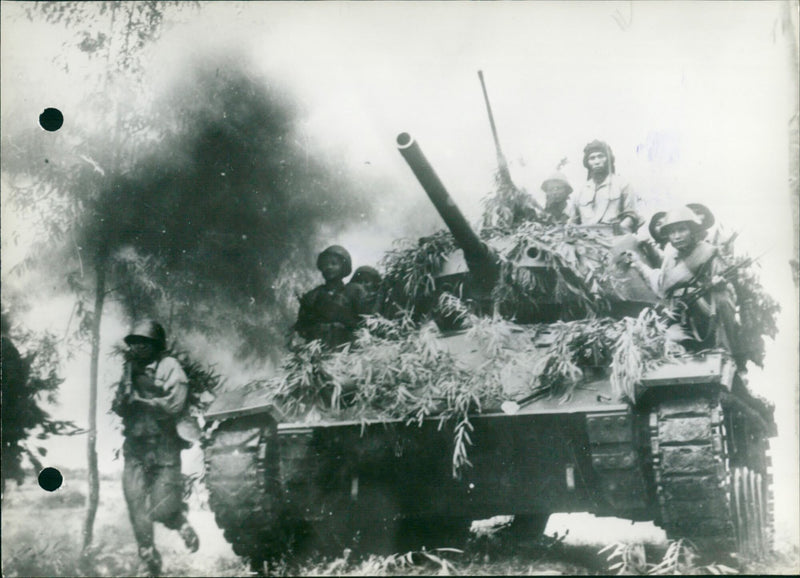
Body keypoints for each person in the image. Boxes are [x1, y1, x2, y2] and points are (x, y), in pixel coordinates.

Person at [111, 319, 199, 577]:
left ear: (155, 345)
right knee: (135, 502)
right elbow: (120, 405)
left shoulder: (170, 367)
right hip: (136, 447)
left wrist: (143, 401)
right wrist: (123, 401)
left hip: (164, 447)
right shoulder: (130, 369)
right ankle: (148, 558)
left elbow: (175, 404)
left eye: (143, 343)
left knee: (162, 509)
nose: (137, 348)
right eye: (134, 343)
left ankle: (180, 523)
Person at [627, 205, 738, 353]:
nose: (677, 236)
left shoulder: (708, 253)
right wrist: (638, 264)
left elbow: (729, 291)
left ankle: (727, 350)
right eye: (672, 232)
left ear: (693, 231)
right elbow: (660, 285)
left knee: (722, 297)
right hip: (680, 317)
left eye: (682, 230)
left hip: (707, 317)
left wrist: (720, 285)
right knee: (669, 343)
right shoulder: (670, 255)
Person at [294, 245, 368, 349]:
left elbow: (365, 321)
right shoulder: (313, 296)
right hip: (319, 352)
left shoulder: (355, 292)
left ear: (344, 267)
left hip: (348, 352)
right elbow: (302, 327)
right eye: (325, 264)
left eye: (334, 263)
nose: (329, 267)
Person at [569, 140, 642, 234]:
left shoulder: (622, 184)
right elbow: (573, 221)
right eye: (592, 158)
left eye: (601, 156)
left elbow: (631, 215)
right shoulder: (581, 190)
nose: (597, 162)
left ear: (608, 159)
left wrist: (619, 231)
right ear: (587, 163)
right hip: (585, 238)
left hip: (614, 236)